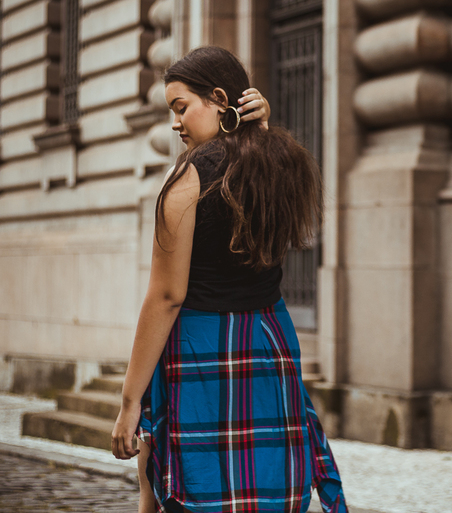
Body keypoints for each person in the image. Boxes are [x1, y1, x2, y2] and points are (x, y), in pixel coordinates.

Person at [110, 45, 347, 513]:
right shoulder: (284, 164)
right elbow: (250, 161)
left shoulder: (187, 178)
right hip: (269, 342)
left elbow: (167, 295)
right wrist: (259, 127)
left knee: (185, 486)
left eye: (181, 108)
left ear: (218, 99)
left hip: (203, 348)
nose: (175, 123)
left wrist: (129, 401)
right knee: (267, 484)